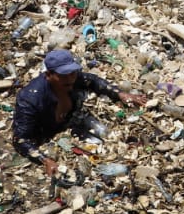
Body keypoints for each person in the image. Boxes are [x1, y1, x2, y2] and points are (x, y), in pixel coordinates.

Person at [13, 49, 147, 175]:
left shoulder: (73, 79)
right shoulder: (30, 99)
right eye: (64, 75)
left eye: (73, 73)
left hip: (72, 121)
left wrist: (121, 94)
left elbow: (94, 81)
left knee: (106, 139)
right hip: (47, 133)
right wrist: (44, 160)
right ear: (48, 75)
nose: (70, 78)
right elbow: (20, 139)